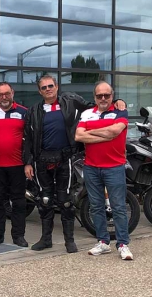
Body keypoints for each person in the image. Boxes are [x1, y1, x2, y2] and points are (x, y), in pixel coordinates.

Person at [23, 75, 126, 253]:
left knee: (66, 201)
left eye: (50, 86)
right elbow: (28, 139)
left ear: (56, 86)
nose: (48, 89)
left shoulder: (71, 101)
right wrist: (27, 162)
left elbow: (95, 105)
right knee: (45, 200)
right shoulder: (33, 111)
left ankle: (69, 241)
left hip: (65, 158)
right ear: (40, 91)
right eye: (44, 87)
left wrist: (117, 101)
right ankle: (45, 239)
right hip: (42, 159)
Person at [75, 82, 133, 261]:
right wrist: (106, 133)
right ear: (94, 97)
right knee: (96, 206)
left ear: (112, 96)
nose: (103, 99)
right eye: (99, 95)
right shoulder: (86, 113)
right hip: (91, 167)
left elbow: (115, 131)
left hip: (114, 167)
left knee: (118, 207)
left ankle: (123, 244)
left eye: (106, 95)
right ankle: (103, 242)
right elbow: (78, 136)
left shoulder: (120, 111)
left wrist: (91, 132)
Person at [0, 82, 29, 247]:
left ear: (12, 93)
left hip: (18, 165)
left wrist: (29, 162)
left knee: (18, 202)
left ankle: (19, 236)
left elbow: (30, 138)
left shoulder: (24, 112)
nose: (4, 97)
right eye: (0, 94)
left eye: (7, 93)